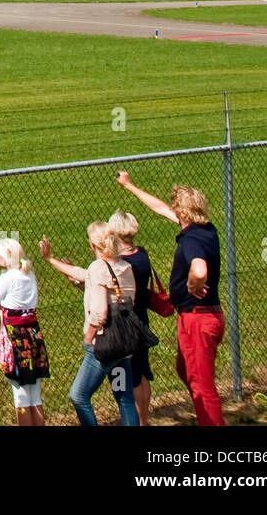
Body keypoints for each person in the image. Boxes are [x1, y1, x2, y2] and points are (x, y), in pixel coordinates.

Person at [117, 172, 225, 426]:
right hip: (203, 318)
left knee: (202, 386)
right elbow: (160, 208)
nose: (173, 211)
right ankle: (211, 418)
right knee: (186, 370)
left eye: (177, 208)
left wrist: (191, 283)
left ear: (184, 212)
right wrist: (129, 185)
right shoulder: (205, 229)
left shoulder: (191, 239)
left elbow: (200, 270)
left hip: (198, 321)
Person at [40, 222, 140, 426]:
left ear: (93, 246)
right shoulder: (124, 267)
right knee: (125, 398)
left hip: (102, 346)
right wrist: (50, 259)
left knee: (79, 395)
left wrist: (88, 339)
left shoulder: (97, 269)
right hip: (123, 346)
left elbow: (100, 312)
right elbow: (80, 273)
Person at [0, 237, 50, 425]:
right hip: (34, 335)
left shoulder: (8, 278)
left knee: (20, 396)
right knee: (35, 396)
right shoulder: (29, 275)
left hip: (16, 339)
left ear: (6, 257)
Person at [108, 210, 156, 424]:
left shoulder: (121, 264)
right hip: (142, 319)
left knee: (132, 377)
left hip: (127, 324)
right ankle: (143, 420)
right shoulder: (142, 254)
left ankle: (136, 420)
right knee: (142, 372)